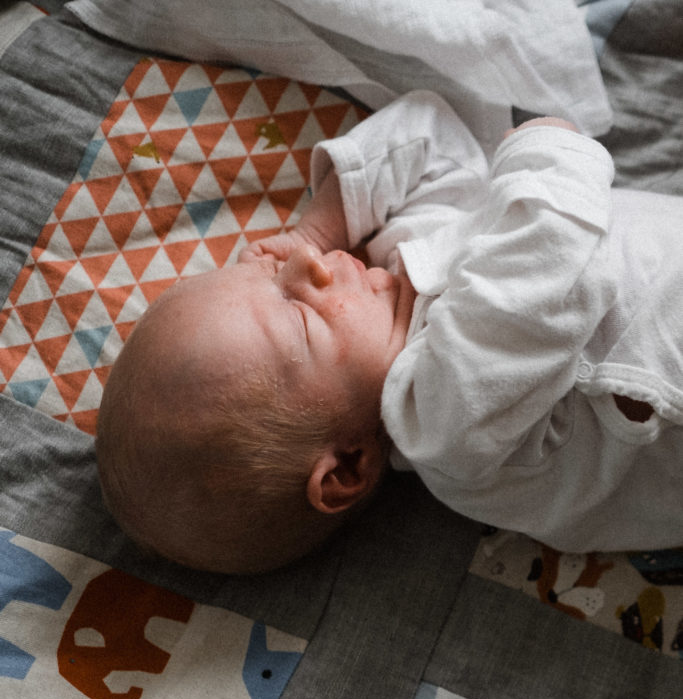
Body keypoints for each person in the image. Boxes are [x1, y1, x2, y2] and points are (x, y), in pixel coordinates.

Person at [96, 90, 683, 574]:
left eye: (272, 271)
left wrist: (313, 231)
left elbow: (430, 133)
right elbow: (554, 262)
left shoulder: (403, 254)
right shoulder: (445, 419)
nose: (308, 268)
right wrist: (548, 150)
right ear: (349, 466)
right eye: (299, 314)